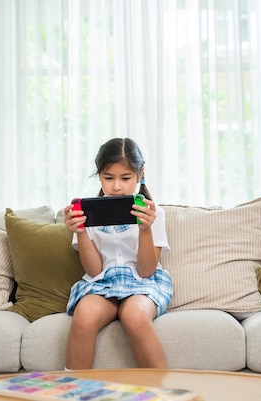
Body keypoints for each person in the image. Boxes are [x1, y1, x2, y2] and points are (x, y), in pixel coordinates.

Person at [63, 137, 172, 369]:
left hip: (143, 283)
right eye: (108, 178)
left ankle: (164, 391)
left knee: (134, 315)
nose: (116, 186)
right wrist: (81, 233)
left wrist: (145, 230)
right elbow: (94, 270)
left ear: (140, 174)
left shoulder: (154, 213)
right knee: (84, 316)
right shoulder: (87, 214)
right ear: (99, 176)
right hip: (102, 283)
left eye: (125, 178)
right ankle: (72, 390)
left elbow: (146, 271)